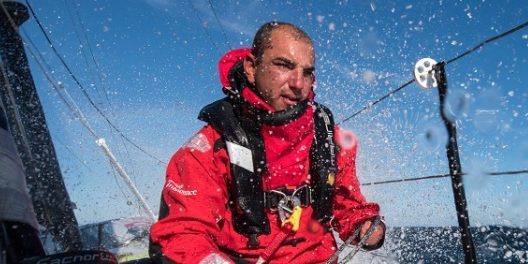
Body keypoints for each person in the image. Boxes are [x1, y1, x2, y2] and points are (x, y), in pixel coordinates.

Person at [149, 21, 385, 264]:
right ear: (252, 67)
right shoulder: (209, 147)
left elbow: (347, 205)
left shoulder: (329, 140)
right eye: (283, 65)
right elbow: (184, 233)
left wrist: (364, 225)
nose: (298, 83)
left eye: (307, 72)